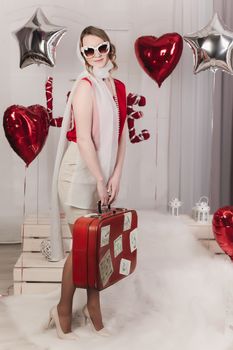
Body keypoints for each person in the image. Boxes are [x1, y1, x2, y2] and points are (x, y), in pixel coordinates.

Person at [47, 25, 127, 340]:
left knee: (95, 248)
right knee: (83, 248)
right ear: (82, 54)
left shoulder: (118, 87)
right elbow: (82, 139)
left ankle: (92, 310)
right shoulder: (84, 86)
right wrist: (98, 178)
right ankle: (63, 309)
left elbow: (122, 137)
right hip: (78, 173)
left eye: (101, 47)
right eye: (88, 50)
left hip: (102, 172)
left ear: (110, 48)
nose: (96, 55)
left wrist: (116, 174)